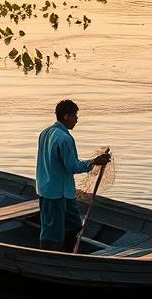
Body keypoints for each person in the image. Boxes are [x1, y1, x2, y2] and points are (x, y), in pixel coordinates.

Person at [36, 99, 112, 252]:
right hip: (54, 193)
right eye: (75, 116)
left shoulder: (45, 132)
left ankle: (68, 254)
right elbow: (72, 167)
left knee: (75, 225)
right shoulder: (64, 138)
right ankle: (45, 257)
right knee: (51, 232)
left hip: (61, 191)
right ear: (66, 116)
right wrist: (94, 162)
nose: (77, 119)